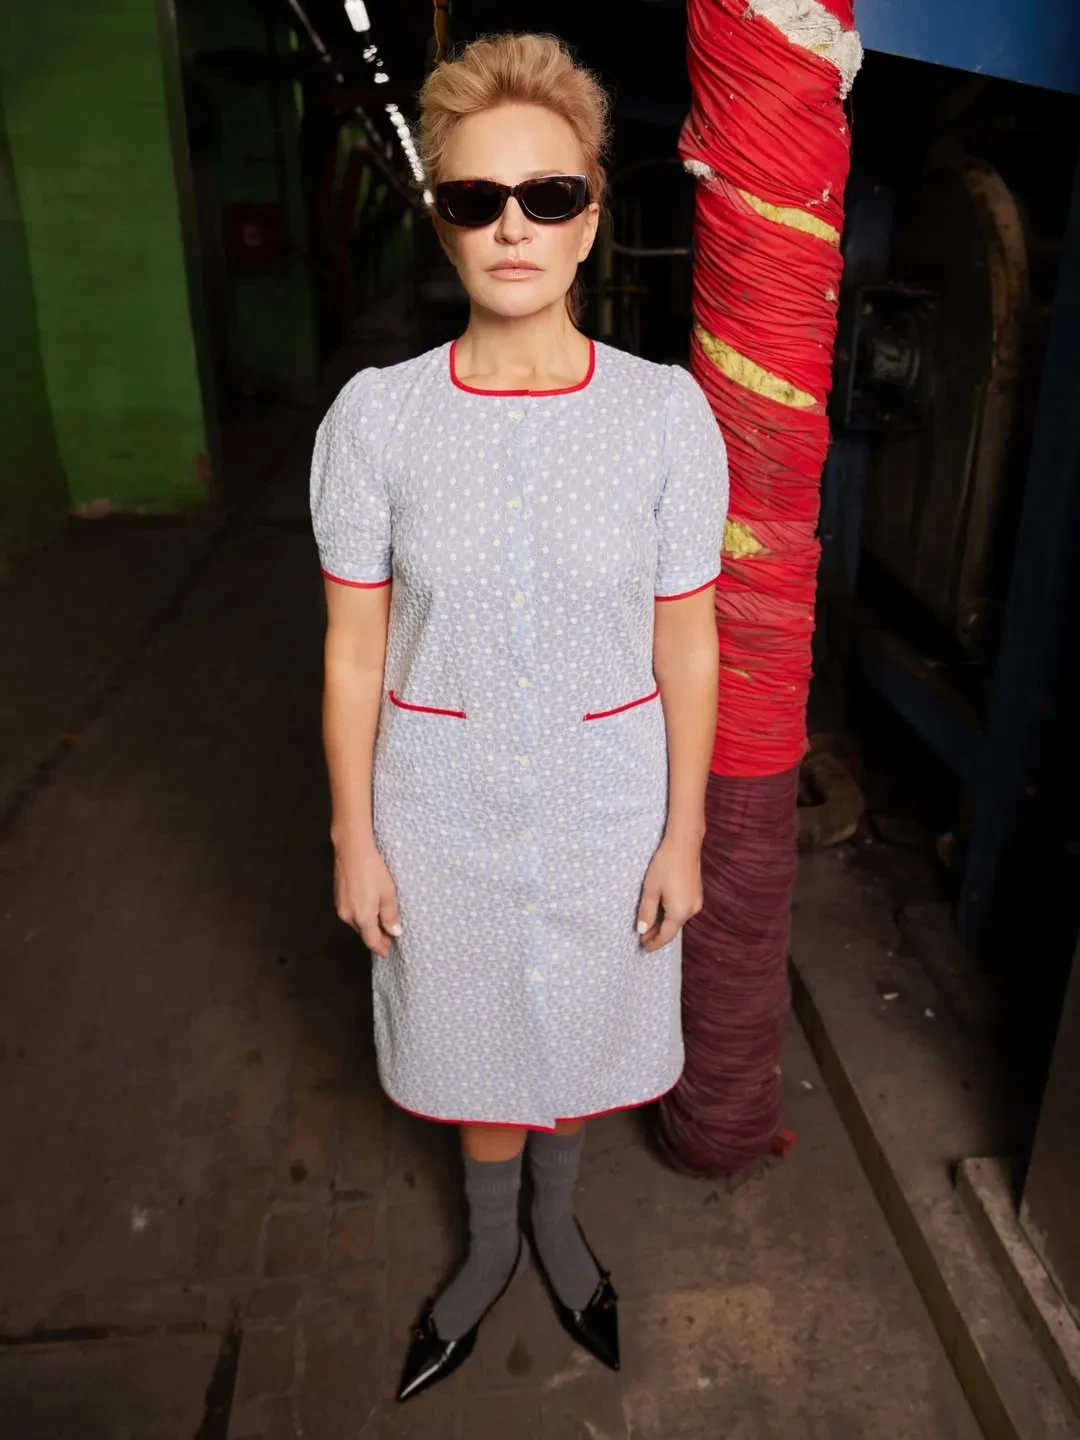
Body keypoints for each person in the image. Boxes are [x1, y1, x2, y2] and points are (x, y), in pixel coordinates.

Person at [310, 32, 729, 1403]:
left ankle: (559, 1219)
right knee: (474, 1025)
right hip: (441, 811)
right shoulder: (377, 423)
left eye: (547, 197)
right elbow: (354, 648)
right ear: (439, 219)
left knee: (589, 1013)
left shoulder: (665, 418)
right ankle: (492, 1244)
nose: (512, 228)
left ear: (593, 214)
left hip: (612, 808)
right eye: (475, 198)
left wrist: (683, 834)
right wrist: (353, 837)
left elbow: (688, 637)